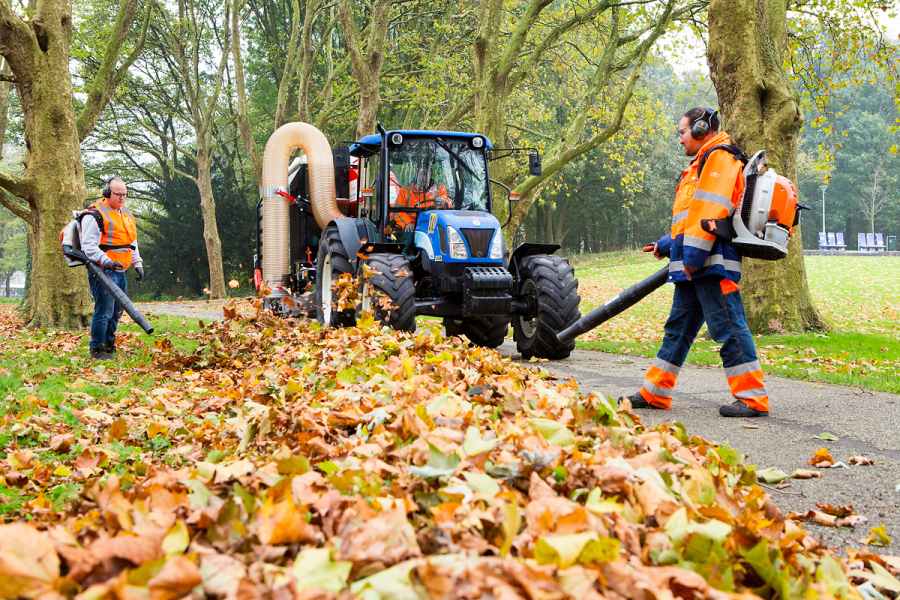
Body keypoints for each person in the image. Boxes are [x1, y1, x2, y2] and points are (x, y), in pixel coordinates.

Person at [620, 108, 769, 418]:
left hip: (710, 263)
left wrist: (692, 258)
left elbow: (711, 211)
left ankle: (752, 398)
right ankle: (655, 392)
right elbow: (691, 218)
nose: (680, 139)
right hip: (695, 262)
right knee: (678, 329)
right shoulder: (702, 162)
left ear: (702, 129)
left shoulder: (719, 158)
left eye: (682, 132)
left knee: (727, 325)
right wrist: (667, 244)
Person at [81, 176, 145, 360]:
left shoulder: (125, 214)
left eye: (125, 194)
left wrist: (137, 262)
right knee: (104, 311)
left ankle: (109, 344)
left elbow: (131, 241)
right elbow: (89, 246)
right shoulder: (95, 214)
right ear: (107, 193)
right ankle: (97, 349)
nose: (122, 198)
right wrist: (106, 260)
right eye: (118, 194)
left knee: (117, 311)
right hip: (103, 270)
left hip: (121, 269)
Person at [392, 161, 451, 248]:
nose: (423, 178)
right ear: (416, 174)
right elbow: (397, 212)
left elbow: (448, 203)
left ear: (431, 175)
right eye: (421, 174)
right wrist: (407, 223)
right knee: (408, 240)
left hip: (432, 225)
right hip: (413, 225)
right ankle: (406, 258)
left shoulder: (439, 189)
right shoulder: (406, 190)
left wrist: (443, 202)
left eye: (426, 174)